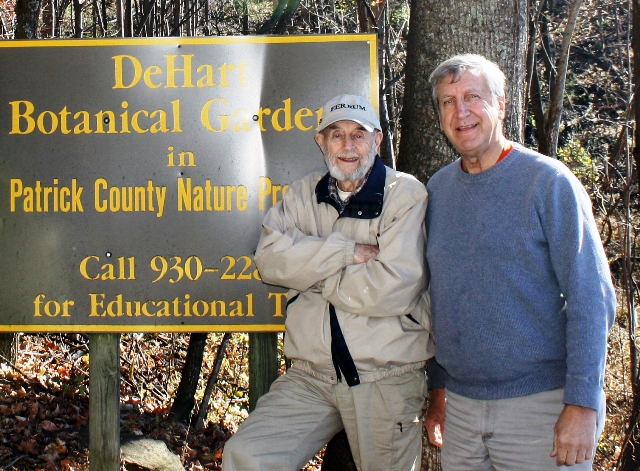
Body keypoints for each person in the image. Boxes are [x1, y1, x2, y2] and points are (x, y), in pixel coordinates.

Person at [423, 53, 616, 471]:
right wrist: (438, 391)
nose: (462, 112)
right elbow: (440, 298)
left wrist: (583, 404)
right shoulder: (437, 190)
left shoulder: (548, 183)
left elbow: (593, 298)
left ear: (501, 105)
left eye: (473, 97)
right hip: (460, 412)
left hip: (541, 409)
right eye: (448, 101)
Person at [222, 94, 433, 471]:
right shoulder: (303, 194)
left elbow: (393, 286)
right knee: (247, 457)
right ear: (321, 142)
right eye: (336, 135)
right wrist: (345, 253)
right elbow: (268, 261)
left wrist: (310, 275)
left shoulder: (404, 194)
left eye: (358, 135)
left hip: (384, 376)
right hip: (311, 376)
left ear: (377, 141)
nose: (348, 146)